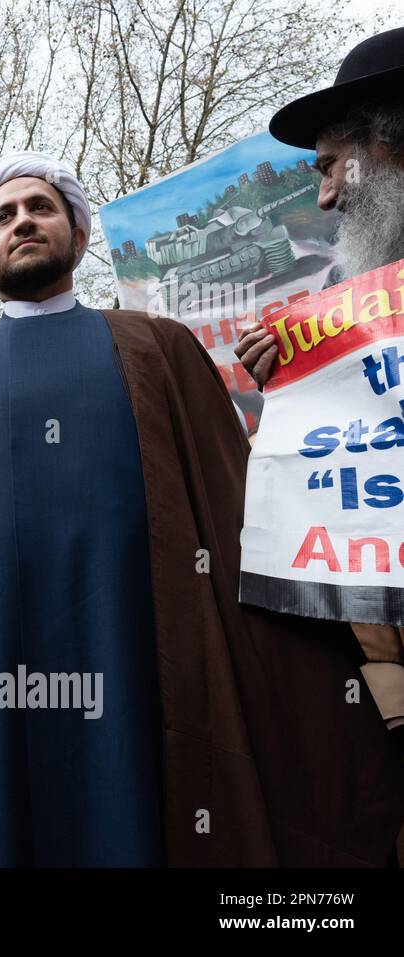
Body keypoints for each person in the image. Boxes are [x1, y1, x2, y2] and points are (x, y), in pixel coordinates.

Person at [0, 150, 404, 866]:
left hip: (141, 653)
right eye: (4, 216)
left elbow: (234, 503)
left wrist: (299, 397)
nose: (23, 221)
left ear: (78, 238)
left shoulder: (160, 347)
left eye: (40, 208)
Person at [235, 27, 404, 748]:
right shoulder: (346, 294)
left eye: (332, 167)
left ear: (389, 143)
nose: (327, 197)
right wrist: (300, 389)